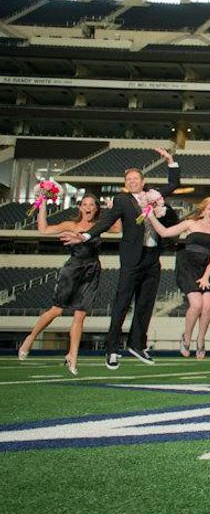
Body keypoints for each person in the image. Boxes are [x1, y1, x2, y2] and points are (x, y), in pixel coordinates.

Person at [62, 147, 180, 370]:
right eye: (129, 179)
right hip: (131, 259)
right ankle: (112, 349)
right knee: (122, 304)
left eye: (136, 178)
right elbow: (106, 222)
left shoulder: (153, 195)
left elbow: (173, 185)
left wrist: (171, 161)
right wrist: (86, 235)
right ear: (126, 182)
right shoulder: (122, 200)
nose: (133, 181)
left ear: (143, 180)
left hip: (152, 257)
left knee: (145, 304)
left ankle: (137, 345)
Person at [18, 194, 109, 375]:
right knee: (57, 310)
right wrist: (43, 204)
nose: (88, 207)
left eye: (92, 204)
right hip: (73, 270)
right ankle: (30, 337)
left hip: (92, 271)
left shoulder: (100, 225)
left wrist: (113, 208)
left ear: (96, 208)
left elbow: (119, 226)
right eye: (85, 204)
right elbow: (43, 229)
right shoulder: (71, 225)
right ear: (80, 208)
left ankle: (72, 355)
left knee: (80, 315)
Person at [146, 196, 210, 360]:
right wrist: (150, 216)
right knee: (196, 305)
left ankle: (201, 339)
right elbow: (164, 232)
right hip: (189, 266)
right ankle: (187, 337)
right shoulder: (190, 223)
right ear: (203, 210)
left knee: (208, 305)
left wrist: (206, 276)